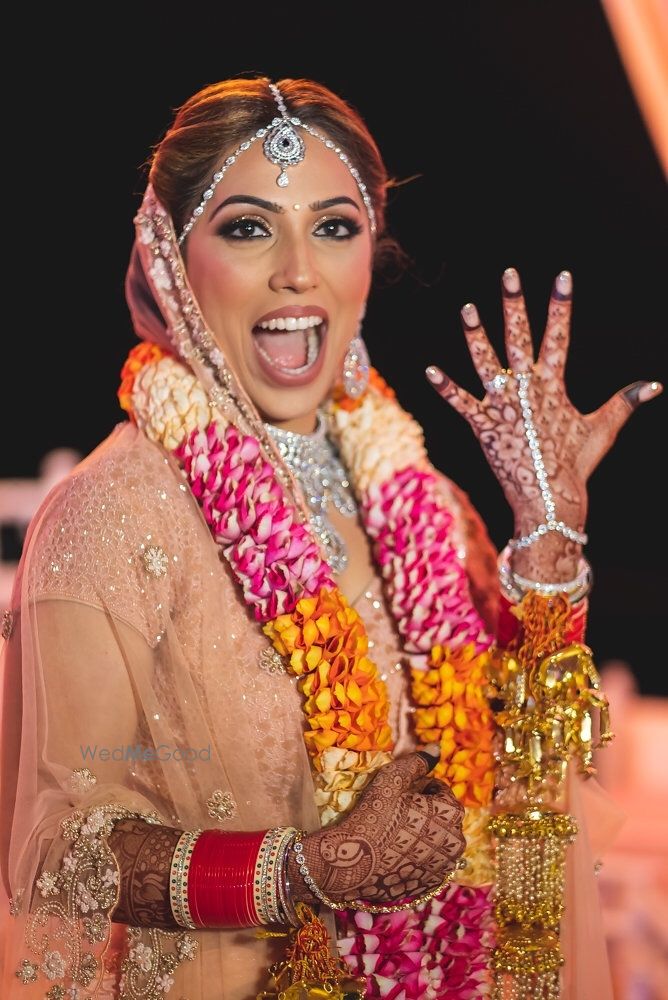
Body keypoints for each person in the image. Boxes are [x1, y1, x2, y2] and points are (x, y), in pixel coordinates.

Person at [0, 75, 661, 1000]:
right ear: (170, 257)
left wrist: (550, 536)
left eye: (335, 227)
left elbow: (539, 788)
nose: (298, 270)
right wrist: (305, 870)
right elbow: (55, 855)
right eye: (247, 227)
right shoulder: (109, 516)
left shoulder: (419, 500)